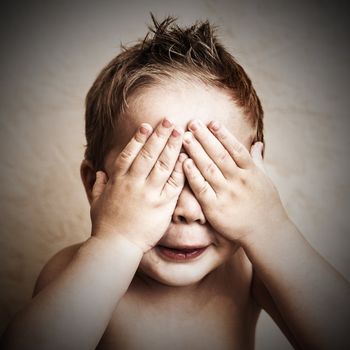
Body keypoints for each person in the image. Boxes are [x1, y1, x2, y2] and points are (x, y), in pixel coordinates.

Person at [1, 14, 349, 350]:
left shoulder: (246, 270)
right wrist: (118, 241)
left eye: (213, 175)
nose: (187, 211)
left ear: (255, 184)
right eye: (157, 175)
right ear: (97, 184)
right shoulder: (78, 270)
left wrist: (271, 229)